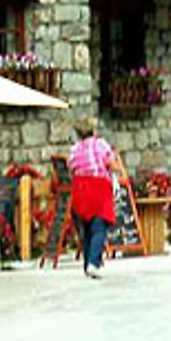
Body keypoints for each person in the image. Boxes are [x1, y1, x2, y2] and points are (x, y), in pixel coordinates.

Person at [69, 117, 122, 279]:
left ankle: (87, 264)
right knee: (99, 227)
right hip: (98, 188)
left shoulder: (75, 149)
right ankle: (93, 263)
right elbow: (111, 165)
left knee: (86, 229)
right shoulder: (101, 145)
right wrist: (117, 163)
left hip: (81, 190)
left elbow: (71, 167)